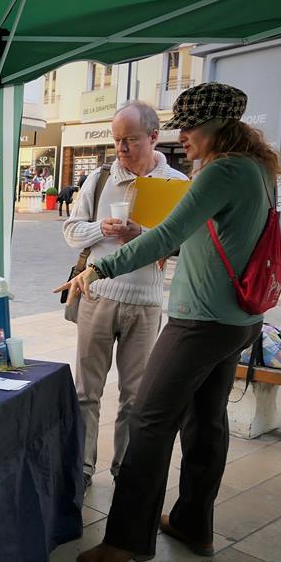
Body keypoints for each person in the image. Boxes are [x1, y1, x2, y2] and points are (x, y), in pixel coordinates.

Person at [57, 82, 276, 562]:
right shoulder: (259, 170)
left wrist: (100, 267)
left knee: (148, 421)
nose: (185, 137)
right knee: (206, 422)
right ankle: (194, 524)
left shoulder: (220, 172)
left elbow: (167, 237)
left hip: (200, 321)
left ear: (218, 126)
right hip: (240, 320)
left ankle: (127, 539)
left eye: (190, 128)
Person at [62, 101, 187, 491]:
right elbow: (71, 231)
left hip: (147, 302)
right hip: (98, 295)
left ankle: (126, 470)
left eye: (129, 140)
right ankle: (81, 469)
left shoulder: (176, 183)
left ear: (152, 137)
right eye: (116, 141)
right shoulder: (99, 178)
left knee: (137, 397)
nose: (121, 148)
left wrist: (143, 236)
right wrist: (103, 228)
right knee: (86, 392)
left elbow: (184, 244)